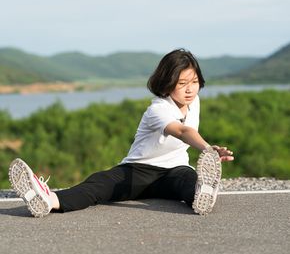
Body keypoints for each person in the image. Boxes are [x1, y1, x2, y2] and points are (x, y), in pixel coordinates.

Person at [8, 48, 234, 218]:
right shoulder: (158, 109)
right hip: (137, 171)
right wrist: (207, 148)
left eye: (194, 82)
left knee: (188, 179)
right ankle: (48, 200)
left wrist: (209, 154)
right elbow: (182, 131)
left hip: (174, 170)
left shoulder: (195, 102)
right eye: (182, 83)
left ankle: (201, 194)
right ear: (167, 84)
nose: (190, 89)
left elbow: (187, 129)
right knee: (99, 184)